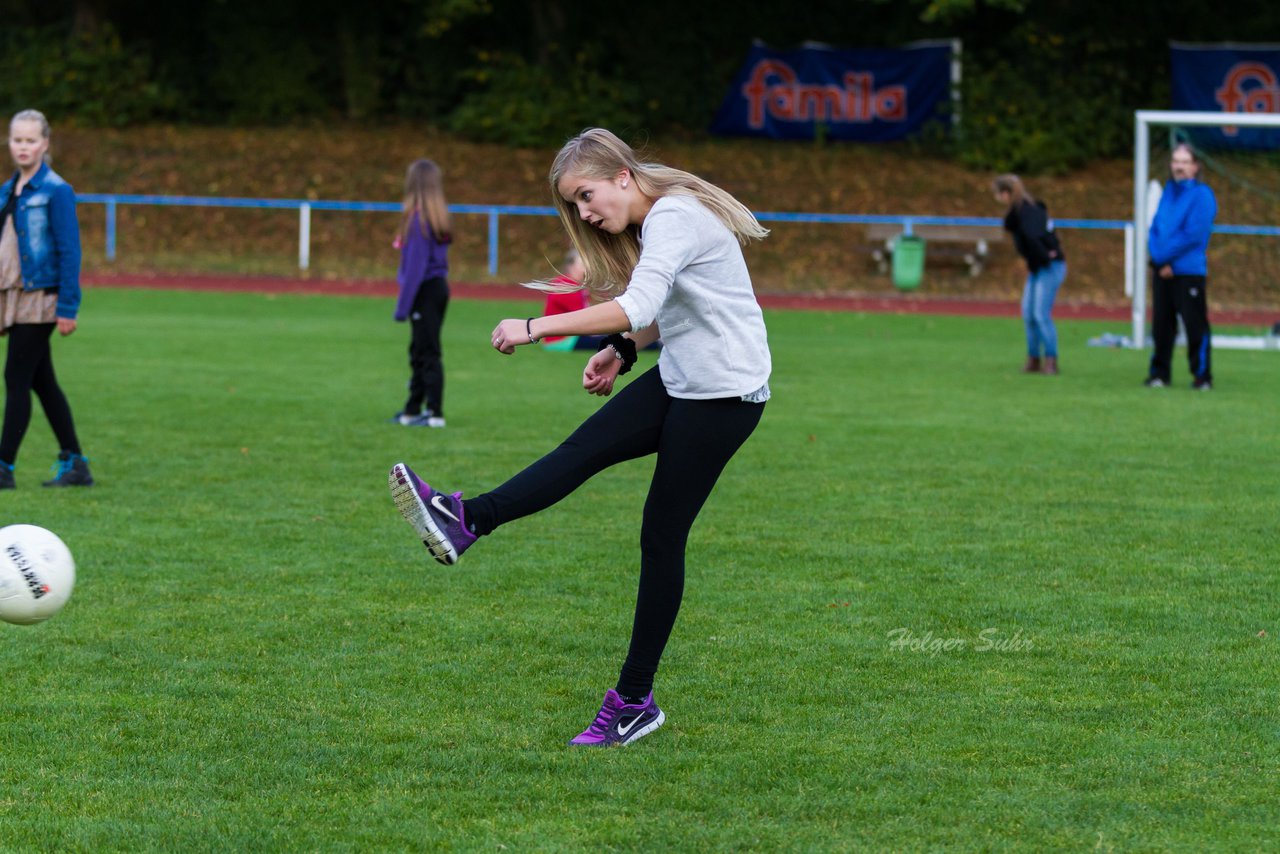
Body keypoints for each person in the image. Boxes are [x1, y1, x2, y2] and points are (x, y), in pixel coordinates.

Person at [388, 128, 771, 747]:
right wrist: (623, 349)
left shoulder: (673, 215)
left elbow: (637, 302)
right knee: (579, 452)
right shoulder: (656, 220)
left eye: (586, 197)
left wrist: (536, 326)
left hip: (724, 397)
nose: (586, 214)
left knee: (661, 536)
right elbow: (665, 309)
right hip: (681, 378)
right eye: (575, 206)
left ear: (622, 175)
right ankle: (467, 520)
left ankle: (634, 703)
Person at [0, 109, 92, 489]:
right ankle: (75, 463)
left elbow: (70, 252)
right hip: (14, 297)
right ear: (9, 143)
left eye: (31, 140)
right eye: (17, 140)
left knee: (15, 377)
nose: (24, 147)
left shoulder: (57, 190)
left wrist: (67, 307)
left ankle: (3, 467)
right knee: (42, 382)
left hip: (41, 299)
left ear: (45, 144)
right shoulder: (8, 190)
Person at [1145, 143, 1217, 390]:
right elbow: (1155, 229)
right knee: (1161, 326)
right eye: (1176, 161)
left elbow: (1193, 235)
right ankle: (1159, 374)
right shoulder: (1167, 193)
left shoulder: (1202, 195)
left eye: (1185, 162)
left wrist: (1165, 259)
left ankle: (1202, 375)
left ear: (1195, 166)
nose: (1179, 166)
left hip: (1187, 272)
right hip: (1162, 271)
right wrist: (1156, 260)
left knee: (1195, 325)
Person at [391, 159, 452, 427]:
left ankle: (434, 413)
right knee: (419, 350)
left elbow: (415, 269)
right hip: (436, 288)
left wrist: (402, 307)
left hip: (424, 291)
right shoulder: (433, 219)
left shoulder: (418, 222)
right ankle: (412, 408)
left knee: (427, 352)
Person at [993, 174, 1067, 375]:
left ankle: (1051, 360)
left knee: (1040, 314)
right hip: (1037, 267)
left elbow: (1035, 239)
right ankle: (1033, 358)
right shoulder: (1019, 212)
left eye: (999, 194)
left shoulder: (1030, 211)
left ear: (1005, 193)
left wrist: (1045, 257)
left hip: (1049, 267)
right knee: (1028, 313)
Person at [538, 247, 605, 352]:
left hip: (569, 337)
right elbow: (584, 318)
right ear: (571, 266)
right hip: (562, 341)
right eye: (583, 265)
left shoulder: (573, 285)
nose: (586, 269)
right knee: (614, 342)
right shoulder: (566, 286)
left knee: (615, 339)